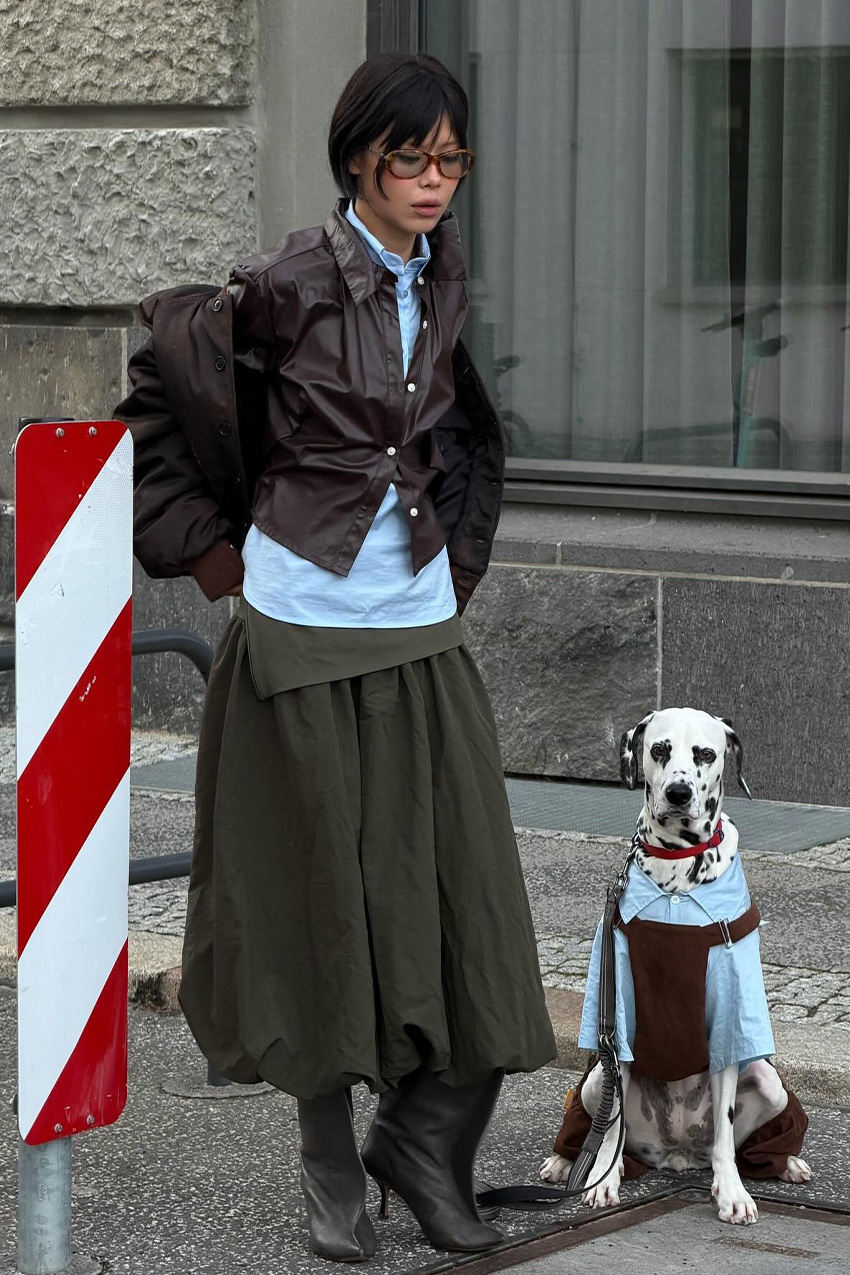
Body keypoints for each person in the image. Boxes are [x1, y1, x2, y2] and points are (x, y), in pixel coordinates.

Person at [115, 51, 556, 1263]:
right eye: (410, 156)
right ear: (357, 155)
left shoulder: (441, 275)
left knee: (467, 902)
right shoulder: (284, 281)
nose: (432, 180)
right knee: (318, 903)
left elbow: (454, 428)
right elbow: (158, 400)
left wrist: (453, 557)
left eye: (451, 159)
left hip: (418, 630)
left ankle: (423, 1139)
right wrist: (217, 564)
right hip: (298, 630)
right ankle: (327, 1165)